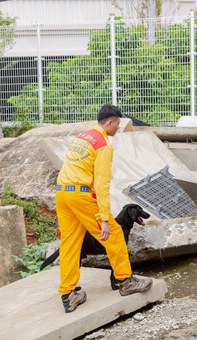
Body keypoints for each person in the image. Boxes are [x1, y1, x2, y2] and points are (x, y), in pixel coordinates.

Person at [55, 104, 153, 313]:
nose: (118, 127)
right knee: (115, 234)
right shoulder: (103, 145)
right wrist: (105, 220)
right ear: (109, 122)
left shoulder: (83, 136)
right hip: (81, 195)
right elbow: (101, 184)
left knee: (70, 242)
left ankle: (69, 294)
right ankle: (126, 282)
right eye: (118, 124)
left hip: (63, 193)